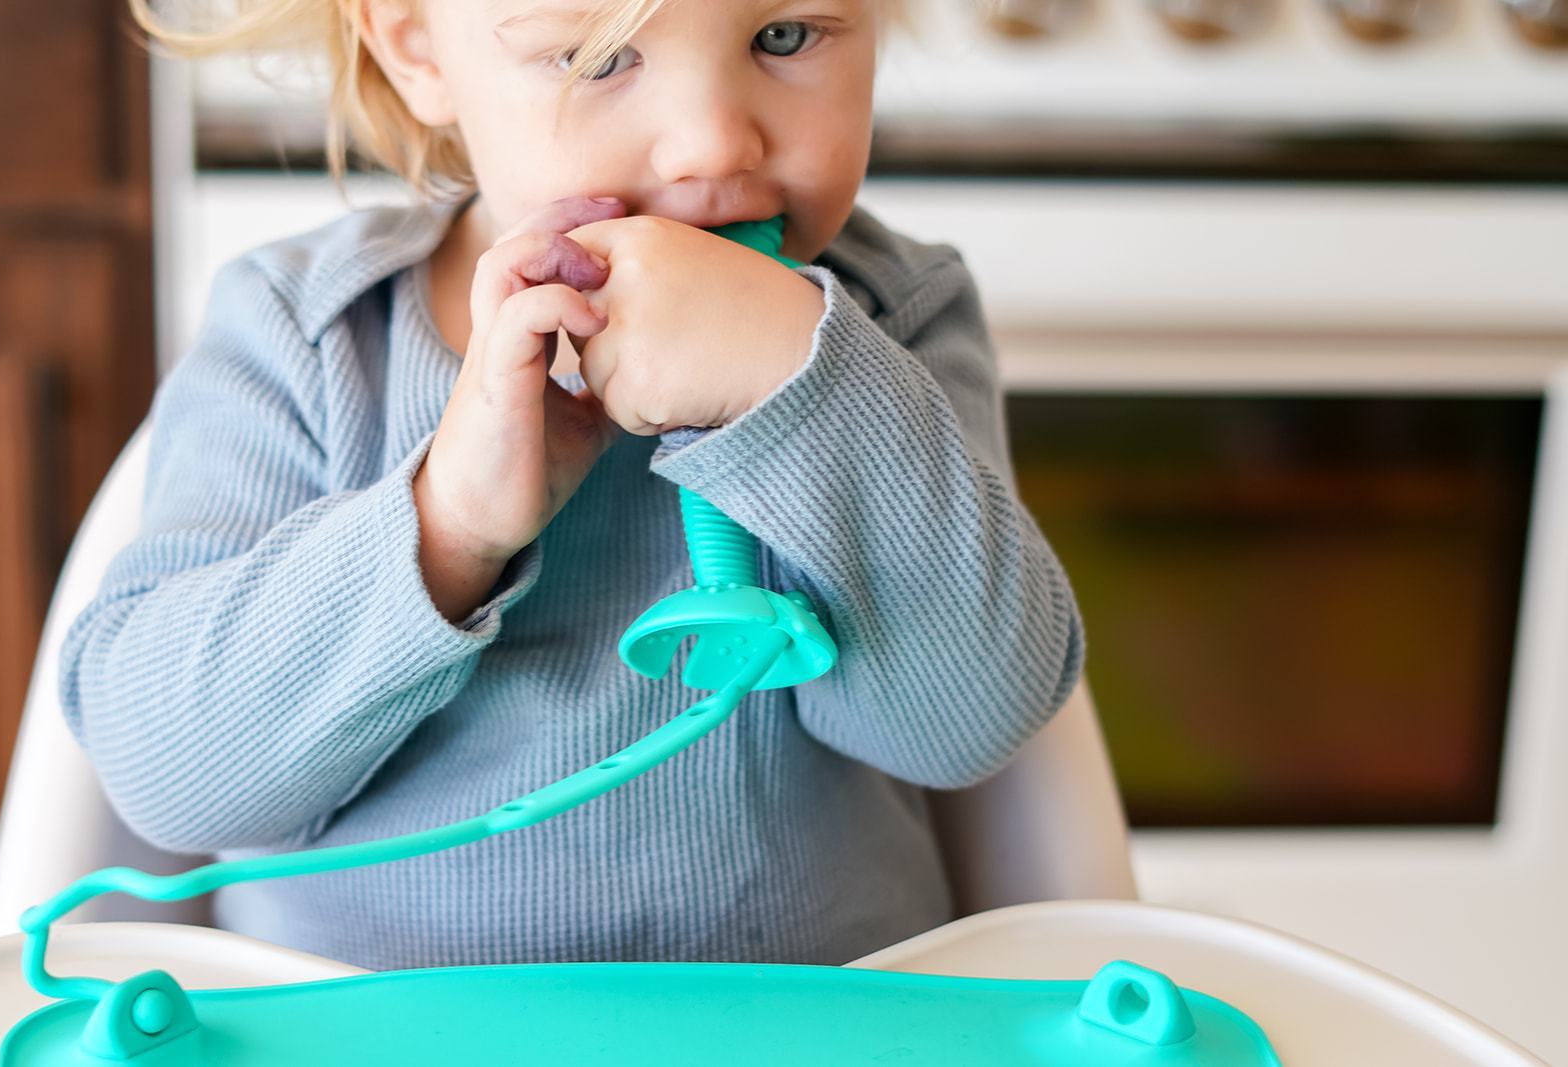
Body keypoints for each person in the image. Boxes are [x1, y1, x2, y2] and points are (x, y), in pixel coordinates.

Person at [60, 0, 1084, 971]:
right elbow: (167, 773)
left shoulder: (896, 318)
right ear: (416, 46)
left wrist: (799, 385)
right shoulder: (304, 332)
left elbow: (966, 725)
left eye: (783, 32)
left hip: (810, 1022)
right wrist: (446, 522)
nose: (712, 145)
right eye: (599, 57)